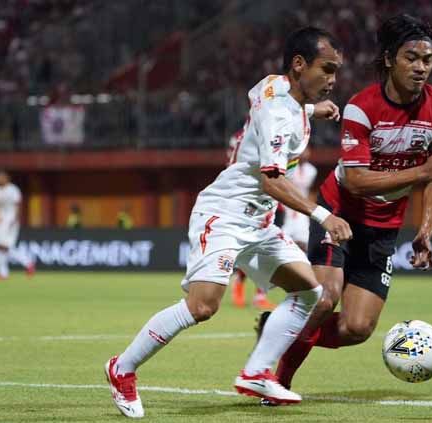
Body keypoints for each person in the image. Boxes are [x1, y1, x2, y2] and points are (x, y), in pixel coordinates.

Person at [105, 26, 352, 418]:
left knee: (310, 292)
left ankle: (256, 371)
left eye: (336, 71)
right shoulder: (277, 113)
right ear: (299, 64)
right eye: (327, 69)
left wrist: (310, 108)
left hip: (258, 224)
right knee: (203, 307)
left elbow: (267, 99)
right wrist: (325, 215)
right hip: (224, 215)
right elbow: (272, 181)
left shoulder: (274, 87)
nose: (333, 80)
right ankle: (122, 368)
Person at [261, 14, 432, 403]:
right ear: (388, 59)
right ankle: (277, 381)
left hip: (384, 229)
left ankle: (278, 328)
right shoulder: (360, 108)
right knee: (323, 298)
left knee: (357, 328)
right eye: (411, 58)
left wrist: (426, 229)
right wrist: (422, 170)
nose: (421, 68)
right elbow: (357, 180)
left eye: (427, 60)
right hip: (340, 214)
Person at [226, 130, 277, 310]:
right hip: (247, 196)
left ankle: (259, 295)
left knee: (263, 249)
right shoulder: (244, 135)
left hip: (266, 198)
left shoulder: (268, 129)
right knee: (249, 247)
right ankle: (240, 285)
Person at [0, 170, 35, 280]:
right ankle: (3, 273)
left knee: (6, 246)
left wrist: (14, 219)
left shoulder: (13, 189)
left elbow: (17, 205)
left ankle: (28, 263)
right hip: (1, 221)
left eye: (1, 177)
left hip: (11, 220)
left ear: (7, 178)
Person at [280, 146, 318, 252]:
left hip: (302, 207)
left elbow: (311, 191)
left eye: (307, 150)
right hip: (286, 206)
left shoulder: (312, 170)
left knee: (304, 238)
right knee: (283, 237)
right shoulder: (289, 168)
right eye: (302, 151)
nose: (305, 153)